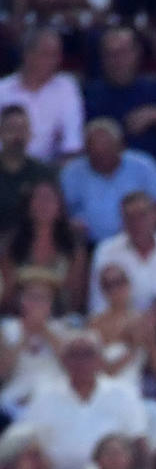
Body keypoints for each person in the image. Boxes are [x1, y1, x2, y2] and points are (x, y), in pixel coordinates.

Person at [15, 329, 148, 469]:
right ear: (64, 360)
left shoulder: (123, 393)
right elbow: (28, 440)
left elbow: (139, 442)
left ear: (99, 359)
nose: (81, 361)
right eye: (74, 355)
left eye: (88, 354)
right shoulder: (44, 395)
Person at [89, 190, 156, 373]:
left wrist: (153, 320)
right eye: (129, 217)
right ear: (122, 220)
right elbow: (97, 304)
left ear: (155, 215)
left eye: (142, 215)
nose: (136, 223)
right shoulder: (106, 251)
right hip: (118, 327)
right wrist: (131, 322)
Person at [61, 117, 156, 247]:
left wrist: (143, 226)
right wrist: (70, 223)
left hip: (136, 241)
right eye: (94, 148)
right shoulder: (72, 172)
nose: (100, 153)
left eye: (106, 148)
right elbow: (60, 209)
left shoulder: (143, 166)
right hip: (88, 244)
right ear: (86, 150)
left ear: (120, 146)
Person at [83, 25, 156, 168]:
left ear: (136, 53)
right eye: (110, 54)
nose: (117, 61)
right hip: (105, 171)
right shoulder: (89, 94)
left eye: (122, 53)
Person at [1, 178, 88, 315]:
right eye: (38, 199)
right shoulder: (11, 245)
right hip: (18, 320)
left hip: (60, 320)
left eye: (49, 199)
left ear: (59, 207)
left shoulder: (73, 248)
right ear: (28, 206)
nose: (44, 205)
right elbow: (7, 293)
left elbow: (75, 296)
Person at [0, 27, 84, 163]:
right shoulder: (2, 90)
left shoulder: (66, 87)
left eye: (57, 55)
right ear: (27, 54)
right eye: (47, 54)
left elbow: (72, 144)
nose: (54, 61)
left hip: (50, 171)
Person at [88, 262, 156, 391]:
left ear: (128, 284)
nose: (114, 290)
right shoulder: (95, 323)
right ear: (103, 290)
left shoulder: (143, 322)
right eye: (108, 285)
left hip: (132, 389)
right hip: (100, 390)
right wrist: (134, 348)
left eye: (119, 282)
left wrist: (152, 338)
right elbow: (104, 371)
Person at [0, 269, 68, 417]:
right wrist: (24, 335)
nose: (37, 303)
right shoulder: (7, 329)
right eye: (32, 297)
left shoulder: (62, 328)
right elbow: (3, 373)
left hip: (54, 392)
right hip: (16, 394)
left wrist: (44, 331)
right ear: (21, 300)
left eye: (43, 298)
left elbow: (70, 365)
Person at [0, 104, 54, 238]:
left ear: (30, 133)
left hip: (29, 246)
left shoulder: (43, 173)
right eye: (11, 129)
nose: (17, 136)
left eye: (22, 129)